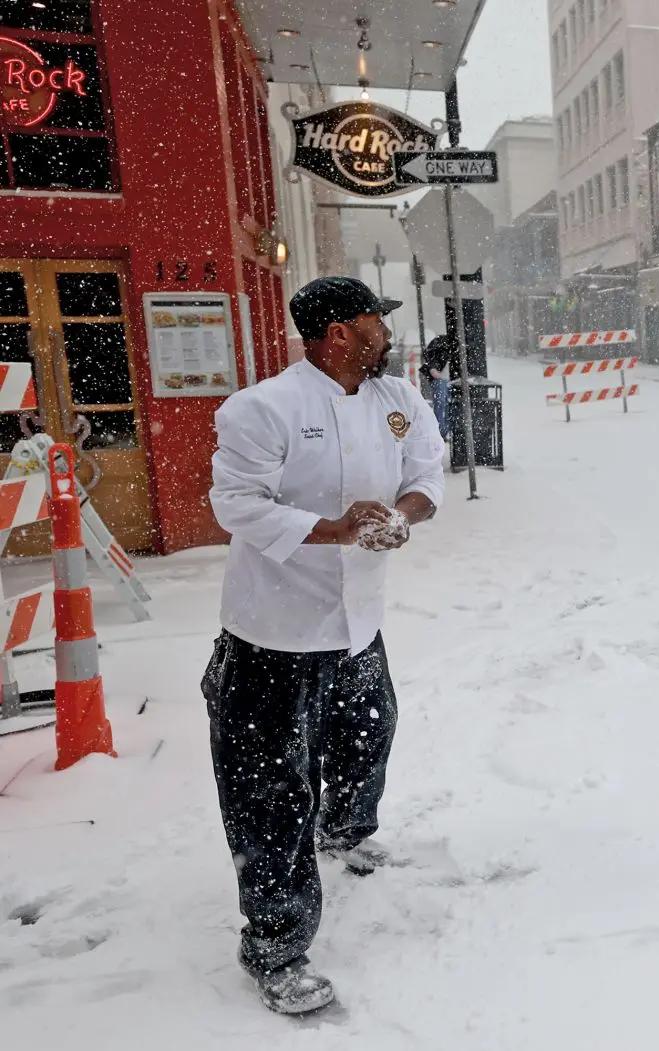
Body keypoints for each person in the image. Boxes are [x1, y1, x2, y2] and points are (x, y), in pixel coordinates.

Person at [204, 276, 445, 1015]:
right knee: (271, 792)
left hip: (357, 624)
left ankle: (343, 831)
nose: (387, 331)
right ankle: (275, 947)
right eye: (378, 318)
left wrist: (400, 516)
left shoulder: (398, 401)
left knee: (365, 740)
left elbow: (426, 475)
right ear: (338, 332)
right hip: (274, 635)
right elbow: (236, 502)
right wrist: (334, 529)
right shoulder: (263, 409)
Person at [422, 332, 456, 442]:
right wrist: (432, 369)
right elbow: (428, 354)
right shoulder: (443, 341)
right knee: (442, 404)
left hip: (452, 380)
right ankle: (442, 432)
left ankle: (445, 431)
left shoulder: (450, 343)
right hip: (441, 379)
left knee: (447, 405)